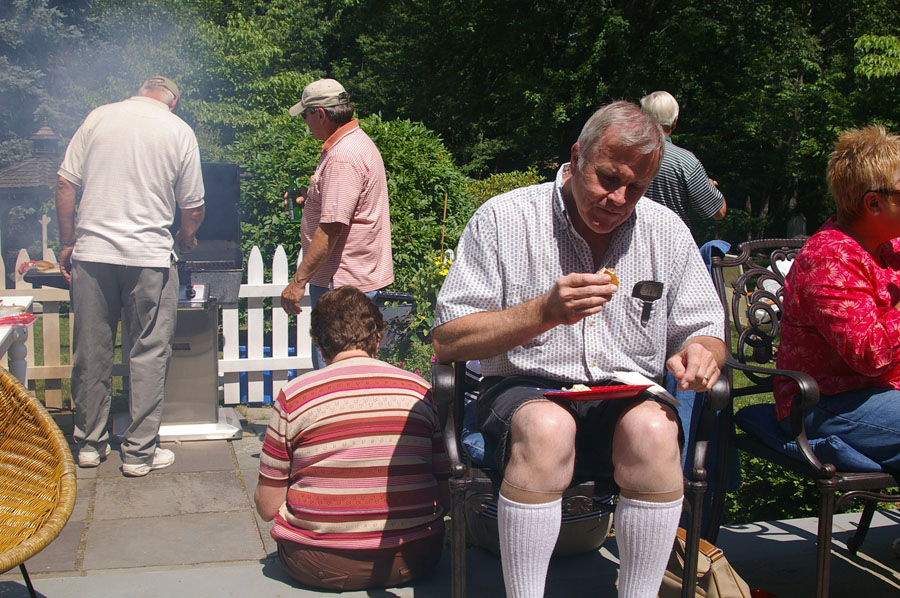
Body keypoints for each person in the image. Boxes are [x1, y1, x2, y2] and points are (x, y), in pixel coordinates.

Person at [433, 101, 726, 598]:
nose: (617, 198)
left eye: (635, 188)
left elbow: (704, 327)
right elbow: (448, 338)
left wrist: (699, 351)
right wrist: (543, 312)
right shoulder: (505, 219)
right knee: (547, 428)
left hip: (625, 390)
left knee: (656, 430)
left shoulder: (666, 231)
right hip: (525, 388)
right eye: (607, 179)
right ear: (577, 156)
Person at [56, 76, 205, 477]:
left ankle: (89, 444)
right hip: (149, 258)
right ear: (173, 103)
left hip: (93, 254)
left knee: (91, 350)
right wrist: (186, 237)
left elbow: (65, 183)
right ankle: (139, 454)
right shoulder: (178, 130)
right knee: (147, 353)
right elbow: (192, 206)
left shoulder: (98, 118)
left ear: (140, 92)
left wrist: (67, 241)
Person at [256, 286, 448, 591]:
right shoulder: (418, 391)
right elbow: (444, 492)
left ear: (320, 343)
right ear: (378, 336)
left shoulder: (295, 396)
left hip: (319, 564)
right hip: (416, 557)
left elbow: (267, 507)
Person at [774, 124, 900, 472]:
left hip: (881, 392)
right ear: (874, 202)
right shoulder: (830, 258)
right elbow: (869, 355)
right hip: (826, 401)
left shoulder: (887, 246)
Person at [279, 78, 393, 370]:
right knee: (354, 369)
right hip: (351, 280)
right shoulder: (352, 144)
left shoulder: (343, 157)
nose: (305, 122)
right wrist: (312, 199)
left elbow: (331, 229)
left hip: (341, 285)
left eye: (305, 115)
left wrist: (297, 283)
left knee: (336, 373)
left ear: (321, 114)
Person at [640, 91, 727, 223]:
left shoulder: (623, 154)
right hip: (671, 240)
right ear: (675, 122)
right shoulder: (685, 162)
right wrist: (708, 186)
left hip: (624, 240)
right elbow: (719, 212)